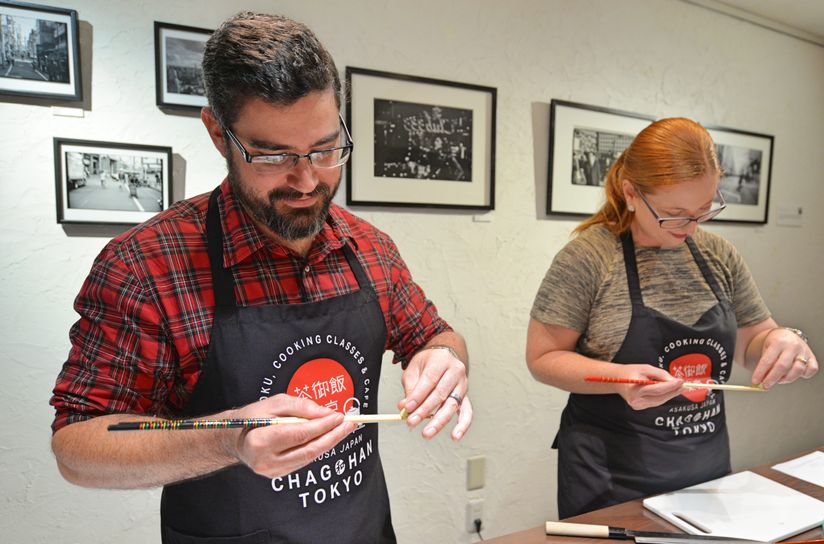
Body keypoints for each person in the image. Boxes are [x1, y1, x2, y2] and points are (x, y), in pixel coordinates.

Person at [50, 12, 472, 544]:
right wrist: (226, 440)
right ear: (217, 134)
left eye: (325, 149)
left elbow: (434, 336)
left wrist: (447, 360)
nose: (307, 180)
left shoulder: (369, 248)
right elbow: (78, 447)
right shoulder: (147, 266)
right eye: (273, 156)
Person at [525, 117, 818, 519]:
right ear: (631, 193)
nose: (691, 227)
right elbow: (543, 358)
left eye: (703, 210)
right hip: (612, 479)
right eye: (675, 214)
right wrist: (621, 379)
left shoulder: (719, 254)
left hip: (704, 474)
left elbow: (755, 341)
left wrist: (783, 341)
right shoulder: (589, 259)